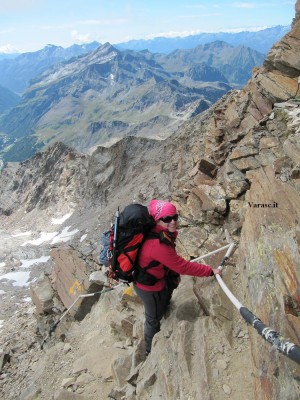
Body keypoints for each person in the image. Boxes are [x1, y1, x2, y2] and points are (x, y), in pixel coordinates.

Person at [133, 199, 222, 356]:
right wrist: (209, 271)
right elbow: (182, 266)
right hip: (149, 288)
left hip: (156, 278)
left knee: (166, 293)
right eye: (166, 219)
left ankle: (164, 306)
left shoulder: (157, 232)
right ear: (156, 220)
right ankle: (149, 350)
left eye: (175, 217)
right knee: (152, 319)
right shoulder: (157, 245)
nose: (173, 221)